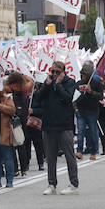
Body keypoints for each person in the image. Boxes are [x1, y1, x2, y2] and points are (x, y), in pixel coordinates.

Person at [33, 60, 79, 196]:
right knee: (50, 157)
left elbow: (67, 99)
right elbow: (38, 98)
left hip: (64, 125)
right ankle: (51, 184)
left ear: (63, 72)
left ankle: (74, 184)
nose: (53, 74)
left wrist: (58, 85)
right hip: (48, 125)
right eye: (52, 71)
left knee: (69, 155)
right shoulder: (46, 83)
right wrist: (47, 85)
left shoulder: (69, 83)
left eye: (57, 72)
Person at [73, 62, 103, 161]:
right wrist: (75, 107)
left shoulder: (96, 83)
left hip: (92, 112)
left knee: (93, 132)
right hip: (80, 111)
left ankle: (93, 151)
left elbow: (100, 96)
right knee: (81, 132)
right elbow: (74, 96)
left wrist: (91, 92)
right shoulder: (78, 83)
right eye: (81, 74)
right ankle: (79, 151)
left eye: (85, 75)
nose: (82, 76)